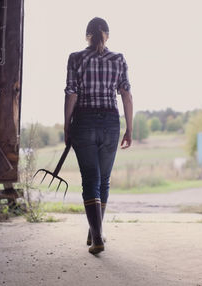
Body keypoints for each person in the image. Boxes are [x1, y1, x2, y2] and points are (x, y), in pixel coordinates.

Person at [64, 17, 133, 254]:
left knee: (91, 180)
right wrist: (129, 129)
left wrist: (67, 126)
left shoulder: (76, 58)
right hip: (111, 122)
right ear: (107, 35)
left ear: (87, 36)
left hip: (83, 121)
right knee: (103, 180)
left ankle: (96, 236)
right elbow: (126, 95)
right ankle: (97, 232)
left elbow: (71, 94)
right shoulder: (119, 59)